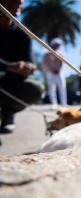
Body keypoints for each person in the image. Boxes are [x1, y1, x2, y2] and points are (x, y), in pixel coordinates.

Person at [0, 0, 43, 133]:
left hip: (8, 84)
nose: (20, 2)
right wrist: (8, 66)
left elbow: (29, 62)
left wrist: (27, 68)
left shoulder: (22, 33)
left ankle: (7, 114)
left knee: (34, 88)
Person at [42, 38, 67, 109]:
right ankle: (54, 104)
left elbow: (63, 63)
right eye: (57, 45)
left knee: (62, 88)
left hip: (59, 73)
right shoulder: (46, 53)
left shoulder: (61, 54)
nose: (58, 46)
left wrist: (59, 70)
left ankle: (63, 104)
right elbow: (45, 63)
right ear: (53, 45)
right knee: (51, 88)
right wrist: (50, 70)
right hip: (50, 73)